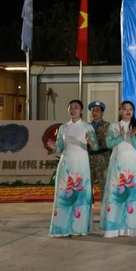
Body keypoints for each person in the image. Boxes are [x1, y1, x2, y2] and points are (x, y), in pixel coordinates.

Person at [46, 99, 98, 237]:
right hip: (66, 164)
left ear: (81, 111)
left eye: (76, 107)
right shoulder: (63, 128)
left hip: (81, 164)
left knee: (80, 196)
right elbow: (59, 147)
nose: (73, 110)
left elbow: (96, 147)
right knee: (64, 195)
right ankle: (62, 228)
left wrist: (90, 142)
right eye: (71, 107)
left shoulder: (88, 127)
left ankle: (78, 228)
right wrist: (54, 148)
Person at [99, 101, 136, 237]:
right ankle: (114, 227)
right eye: (125, 109)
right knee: (116, 192)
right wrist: (121, 136)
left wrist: (133, 134)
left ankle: (129, 227)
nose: (128, 111)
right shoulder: (113, 126)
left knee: (130, 193)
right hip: (118, 160)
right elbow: (109, 143)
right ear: (120, 111)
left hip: (131, 161)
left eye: (131, 109)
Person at [88, 101, 111, 202]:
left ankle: (106, 211)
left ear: (102, 113)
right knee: (87, 184)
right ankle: (87, 211)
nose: (95, 112)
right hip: (89, 158)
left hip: (103, 158)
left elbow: (110, 143)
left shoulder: (108, 126)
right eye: (93, 110)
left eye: (97, 110)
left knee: (105, 185)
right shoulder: (87, 126)